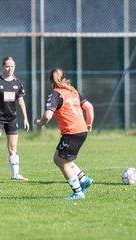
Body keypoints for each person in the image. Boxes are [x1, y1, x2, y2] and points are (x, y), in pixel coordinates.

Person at [34, 68, 94, 200]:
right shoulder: (72, 91)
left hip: (72, 132)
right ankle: (84, 180)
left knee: (64, 163)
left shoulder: (55, 94)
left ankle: (78, 192)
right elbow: (89, 107)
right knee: (58, 158)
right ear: (63, 78)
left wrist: (38, 122)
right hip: (80, 130)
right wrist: (89, 123)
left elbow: (47, 117)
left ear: (51, 81)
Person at [0, 56, 30, 181]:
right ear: (3, 67)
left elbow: (21, 101)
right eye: (7, 66)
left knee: (12, 147)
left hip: (12, 119)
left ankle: (15, 174)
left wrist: (25, 118)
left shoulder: (17, 83)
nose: (10, 69)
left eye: (12, 66)